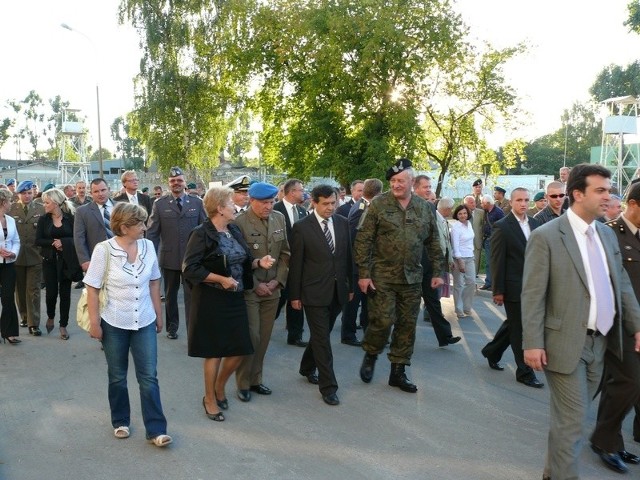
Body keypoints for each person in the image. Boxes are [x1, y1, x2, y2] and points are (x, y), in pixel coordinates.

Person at [522, 163, 640, 479]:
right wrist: (532, 342)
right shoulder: (546, 236)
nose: (608, 196)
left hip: (601, 342)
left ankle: (552, 473)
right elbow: (532, 294)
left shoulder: (606, 233)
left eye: (609, 189)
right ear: (577, 194)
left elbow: (622, 284)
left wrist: (637, 325)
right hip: (563, 344)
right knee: (573, 420)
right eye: (600, 190)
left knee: (568, 421)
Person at [183, 186, 274, 421]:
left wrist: (258, 263)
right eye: (232, 204)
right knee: (214, 353)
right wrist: (221, 279)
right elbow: (190, 268)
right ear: (220, 208)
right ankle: (210, 399)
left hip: (236, 296)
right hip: (212, 299)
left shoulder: (232, 229)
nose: (236, 206)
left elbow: (241, 260)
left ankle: (220, 386)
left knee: (241, 348)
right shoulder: (201, 233)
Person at [354, 158, 444, 393]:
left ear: (412, 182)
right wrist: (363, 274)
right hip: (382, 275)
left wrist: (438, 271)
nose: (396, 185)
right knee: (383, 321)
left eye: (401, 181)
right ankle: (372, 352)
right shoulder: (378, 205)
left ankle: (398, 371)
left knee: (407, 326)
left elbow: (434, 240)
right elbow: (363, 240)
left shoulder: (424, 207)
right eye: (393, 181)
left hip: (412, 277)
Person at [85, 203, 171, 446]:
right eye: (140, 223)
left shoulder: (148, 246)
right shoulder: (104, 250)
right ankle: (121, 421)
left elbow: (154, 282)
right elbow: (92, 288)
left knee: (149, 377)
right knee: (117, 376)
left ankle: (156, 430)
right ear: (124, 227)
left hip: (144, 320)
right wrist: (95, 322)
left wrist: (158, 314)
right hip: (114, 322)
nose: (145, 227)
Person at [589, 181, 640, 473]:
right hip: (619, 325)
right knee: (627, 382)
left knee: (628, 384)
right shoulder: (607, 234)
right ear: (632, 205)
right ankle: (606, 441)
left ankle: (614, 439)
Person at [289, 184, 353, 405]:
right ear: (313, 202)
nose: (330, 208)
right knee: (323, 339)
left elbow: (348, 258)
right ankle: (328, 387)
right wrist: (294, 295)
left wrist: (351, 287)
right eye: (325, 204)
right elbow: (296, 264)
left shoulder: (344, 224)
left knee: (320, 334)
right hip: (313, 292)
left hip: (338, 291)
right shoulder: (301, 227)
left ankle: (307, 366)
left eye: (333, 203)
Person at [481, 188, 543, 388]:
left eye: (526, 200)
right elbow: (497, 261)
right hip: (513, 288)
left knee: (514, 324)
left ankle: (492, 351)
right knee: (519, 329)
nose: (523, 204)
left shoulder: (535, 224)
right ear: (512, 202)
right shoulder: (502, 226)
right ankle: (524, 372)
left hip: (534, 288)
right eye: (519, 200)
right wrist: (498, 290)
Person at [233, 182, 290, 402]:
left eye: (272, 201)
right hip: (251, 290)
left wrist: (277, 281)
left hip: (273, 289)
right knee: (252, 337)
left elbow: (285, 253)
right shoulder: (239, 223)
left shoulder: (279, 218)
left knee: (264, 338)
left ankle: (256, 379)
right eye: (264, 202)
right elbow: (240, 261)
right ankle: (243, 382)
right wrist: (257, 284)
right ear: (252, 201)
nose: (269, 206)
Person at [147, 166, 206, 339]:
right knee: (170, 295)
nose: (176, 183)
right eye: (173, 181)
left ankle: (193, 329)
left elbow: (204, 229)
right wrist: (149, 256)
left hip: (192, 259)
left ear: (184, 183)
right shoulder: (160, 204)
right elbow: (152, 232)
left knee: (192, 296)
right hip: (170, 257)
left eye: (179, 180)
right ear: (168, 183)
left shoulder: (196, 202)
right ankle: (172, 328)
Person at [413, 177, 461, 346]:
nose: (428, 190)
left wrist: (438, 265)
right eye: (425, 187)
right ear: (415, 188)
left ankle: (445, 336)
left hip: (427, 262)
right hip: (409, 264)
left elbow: (435, 237)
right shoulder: (406, 206)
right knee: (405, 306)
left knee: (433, 301)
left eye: (430, 187)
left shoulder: (430, 208)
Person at [35, 188, 83, 341]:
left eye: (47, 202)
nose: (44, 205)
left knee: (65, 294)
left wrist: (64, 242)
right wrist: (53, 243)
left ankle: (63, 325)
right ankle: (50, 316)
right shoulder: (44, 219)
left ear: (55, 203)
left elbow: (77, 238)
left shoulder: (71, 218)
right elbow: (38, 240)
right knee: (50, 293)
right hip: (49, 261)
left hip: (67, 261)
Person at [273, 179, 308, 346]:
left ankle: (295, 335)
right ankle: (260, 329)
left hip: (299, 265)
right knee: (277, 301)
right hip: (280, 263)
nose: (304, 192)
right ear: (292, 192)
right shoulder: (275, 210)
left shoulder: (302, 211)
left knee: (297, 299)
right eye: (301, 190)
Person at [9, 180, 45, 336]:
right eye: (24, 193)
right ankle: (24, 316)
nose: (27, 196)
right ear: (18, 194)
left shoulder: (41, 209)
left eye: (29, 193)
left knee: (34, 290)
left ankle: (33, 323)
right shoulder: (11, 209)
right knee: (20, 290)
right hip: (16, 256)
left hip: (35, 256)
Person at [74, 178, 117, 272]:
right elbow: (79, 237)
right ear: (91, 193)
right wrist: (84, 260)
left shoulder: (121, 207)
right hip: (96, 261)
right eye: (96, 191)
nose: (100, 194)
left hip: (122, 257)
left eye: (103, 190)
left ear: (109, 190)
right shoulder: (82, 211)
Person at [0, 189, 21, 344]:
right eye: (10, 201)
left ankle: (9, 332)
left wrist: (13, 253)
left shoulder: (11, 220)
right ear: (3, 202)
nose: (11, 203)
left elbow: (16, 241)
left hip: (9, 264)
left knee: (8, 298)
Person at [450, 204, 475, 318]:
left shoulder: (469, 224)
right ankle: (459, 309)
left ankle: (467, 307)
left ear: (468, 213)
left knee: (471, 283)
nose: (462, 215)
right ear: (457, 215)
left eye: (464, 213)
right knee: (459, 284)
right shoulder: (456, 227)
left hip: (470, 257)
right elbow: (455, 246)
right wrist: (459, 261)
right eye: (460, 214)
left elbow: (470, 241)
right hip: (459, 258)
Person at [479, 195, 504, 290]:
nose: (481, 205)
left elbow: (503, 227)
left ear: (487, 203)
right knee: (489, 263)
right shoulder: (486, 211)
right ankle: (489, 283)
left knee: (494, 263)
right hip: (488, 240)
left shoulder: (498, 212)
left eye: (482, 203)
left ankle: (494, 284)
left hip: (495, 240)